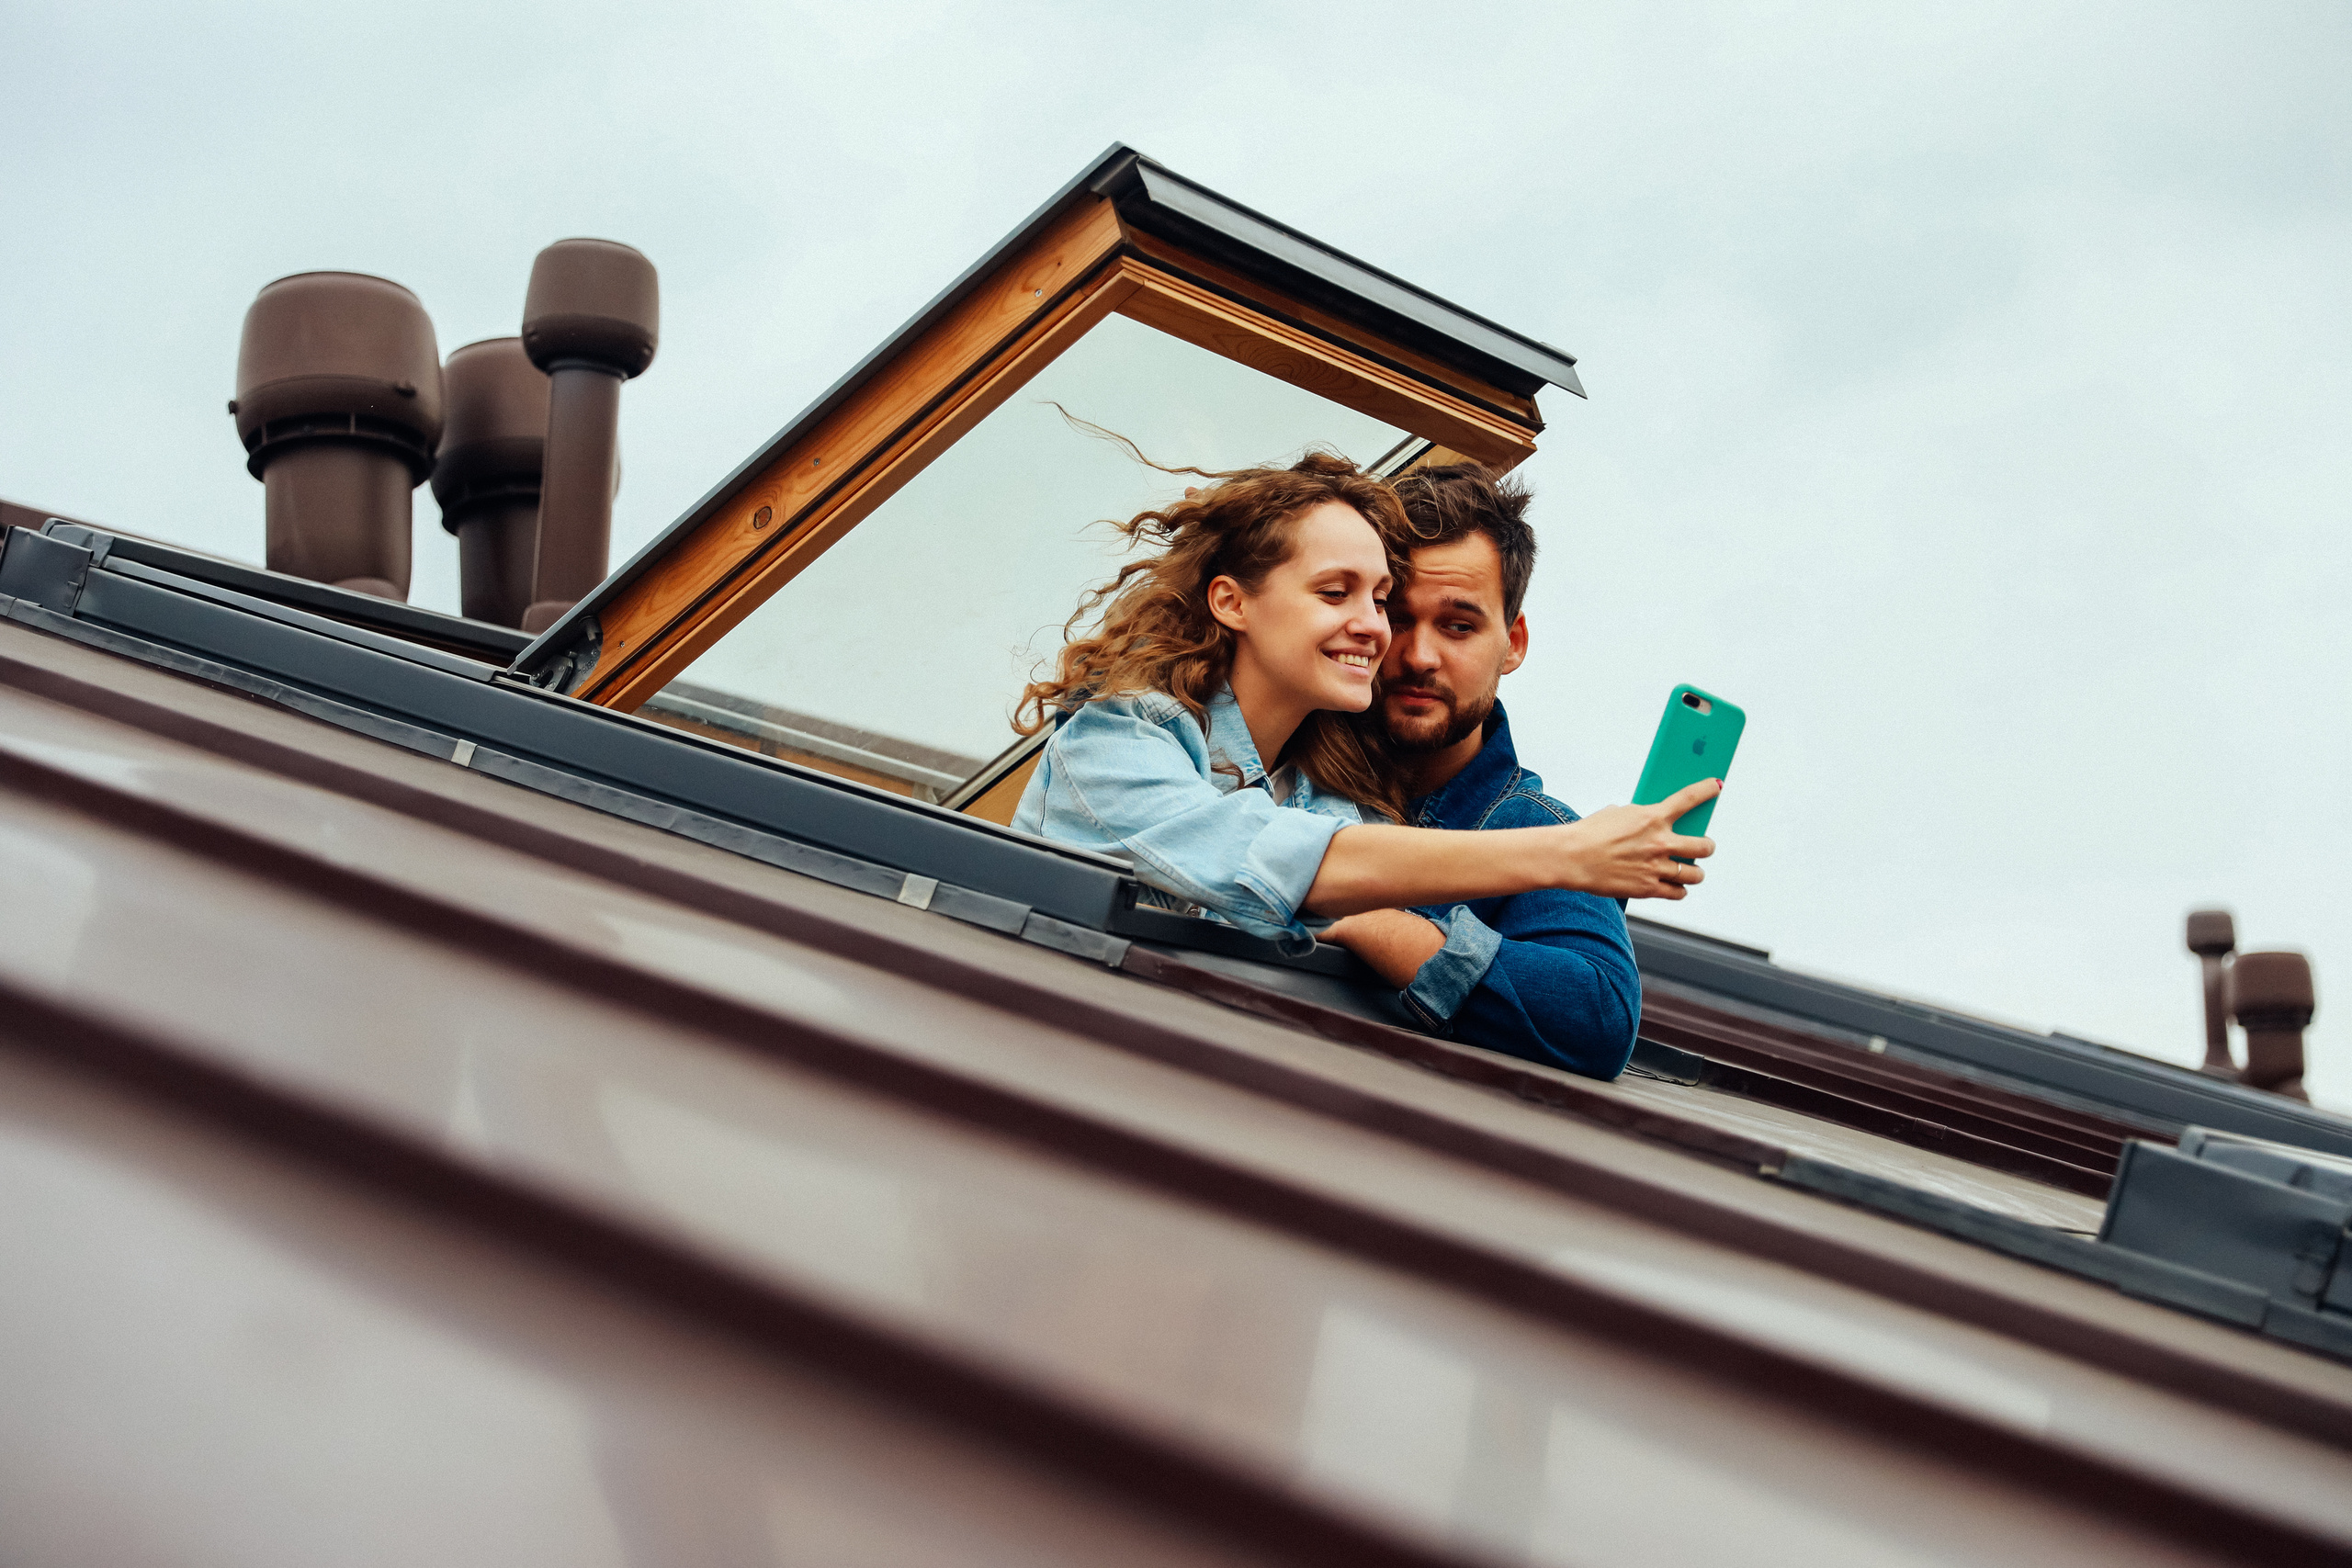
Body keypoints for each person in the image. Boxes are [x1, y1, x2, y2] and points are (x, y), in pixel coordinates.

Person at [1011, 453, 1719, 964]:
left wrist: (1392, 929)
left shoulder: (1326, 796)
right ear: (1232, 601)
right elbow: (1275, 860)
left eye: (1378, 598)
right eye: (1335, 592)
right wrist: (1570, 854)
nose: (1377, 630)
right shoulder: (1116, 739)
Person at [1321, 464, 1644, 1078]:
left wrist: (1360, 915)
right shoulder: (1283, 763)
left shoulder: (1540, 832)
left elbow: (1598, 1015)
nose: (1419, 656)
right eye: (1397, 616)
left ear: (1513, 643)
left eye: (1458, 626)